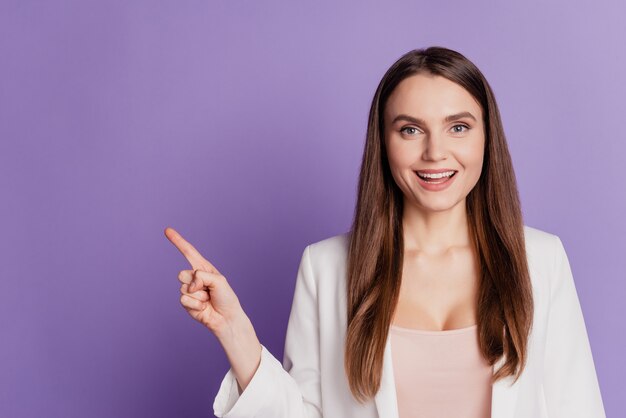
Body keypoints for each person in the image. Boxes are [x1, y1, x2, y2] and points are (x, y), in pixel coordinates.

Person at [164, 46, 606, 418]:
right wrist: (235, 331)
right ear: (384, 142)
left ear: (487, 139)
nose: (436, 152)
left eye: (458, 127)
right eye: (410, 129)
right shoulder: (327, 268)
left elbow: (577, 407)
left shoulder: (540, 261)